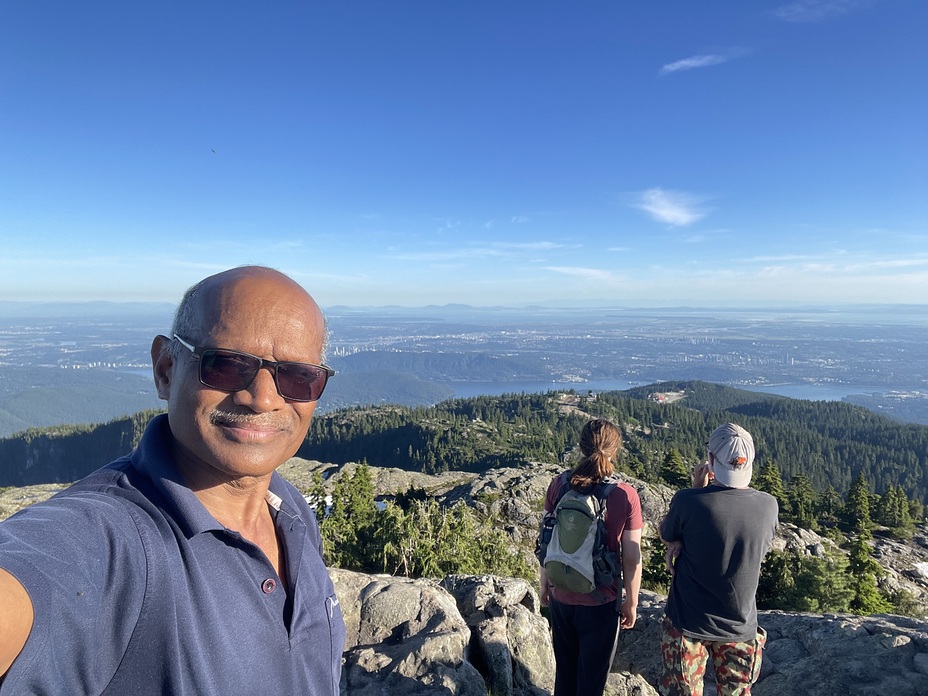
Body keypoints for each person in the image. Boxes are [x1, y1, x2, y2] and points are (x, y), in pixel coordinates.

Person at [0, 266, 347, 695]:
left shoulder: (290, 510)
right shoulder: (111, 537)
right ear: (166, 369)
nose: (262, 398)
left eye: (298, 377)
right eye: (226, 365)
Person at [658, 423, 778, 696]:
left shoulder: (689, 501)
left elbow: (667, 533)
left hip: (688, 623)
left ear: (711, 461)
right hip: (740, 627)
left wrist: (696, 489)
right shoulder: (768, 505)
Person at [539, 418, 643, 696]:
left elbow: (547, 539)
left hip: (561, 595)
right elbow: (632, 557)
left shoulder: (559, 484)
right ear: (616, 450)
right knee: (590, 683)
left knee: (565, 676)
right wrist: (631, 602)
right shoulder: (624, 495)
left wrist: (544, 585)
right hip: (600, 600)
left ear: (581, 447)